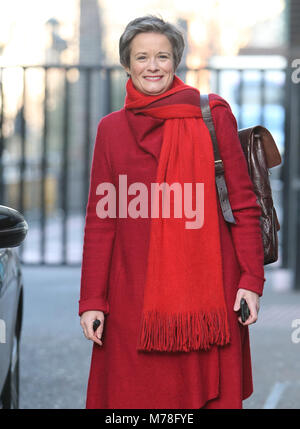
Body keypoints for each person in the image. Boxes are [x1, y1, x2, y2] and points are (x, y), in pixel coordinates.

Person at [79, 15, 265, 409]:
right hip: (133, 299)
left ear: (176, 61)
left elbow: (245, 205)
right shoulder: (111, 130)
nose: (152, 66)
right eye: (142, 57)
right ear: (127, 64)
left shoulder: (213, 117)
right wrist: (92, 300)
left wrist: (251, 280)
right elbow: (101, 222)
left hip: (210, 297)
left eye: (162, 56)